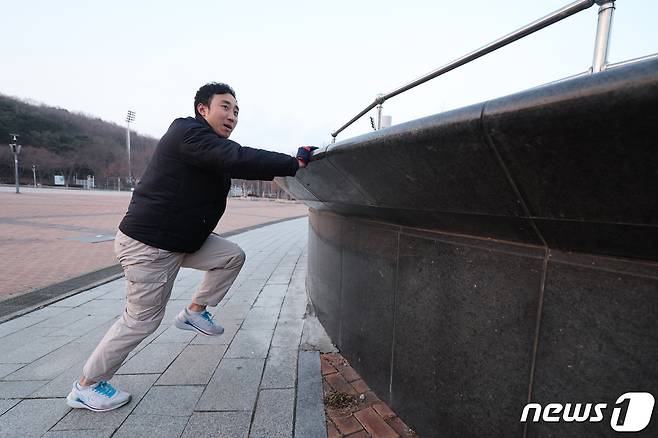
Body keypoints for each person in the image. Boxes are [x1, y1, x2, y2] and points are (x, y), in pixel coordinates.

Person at [66, 82, 316, 411]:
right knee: (141, 321)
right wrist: (292, 163)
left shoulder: (207, 147)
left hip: (180, 241)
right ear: (203, 109)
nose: (232, 116)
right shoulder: (188, 133)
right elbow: (239, 158)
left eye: (236, 111)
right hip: (150, 245)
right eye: (225, 107)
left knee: (231, 256)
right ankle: (87, 385)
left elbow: (238, 163)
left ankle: (194, 312)